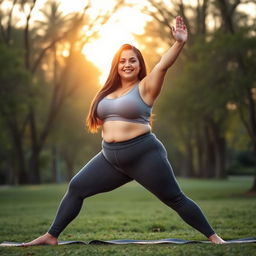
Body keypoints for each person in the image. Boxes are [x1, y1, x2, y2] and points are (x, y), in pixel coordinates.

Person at [23, 16, 225, 246]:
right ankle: (51, 236)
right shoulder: (107, 91)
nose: (127, 64)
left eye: (132, 61)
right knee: (77, 187)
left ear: (139, 65)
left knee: (174, 198)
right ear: (116, 66)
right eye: (122, 61)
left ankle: (215, 237)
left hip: (144, 155)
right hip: (110, 158)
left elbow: (162, 65)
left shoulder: (146, 87)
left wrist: (179, 43)